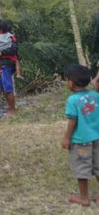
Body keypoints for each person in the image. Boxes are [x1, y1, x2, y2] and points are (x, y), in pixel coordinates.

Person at [61, 64, 99, 207]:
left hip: (81, 141)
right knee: (98, 165)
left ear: (70, 82)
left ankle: (84, 198)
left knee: (82, 168)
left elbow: (73, 120)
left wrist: (66, 138)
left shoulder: (72, 100)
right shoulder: (95, 95)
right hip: (97, 138)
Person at [0, 20, 19, 116]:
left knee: (8, 87)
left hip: (7, 64)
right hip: (2, 63)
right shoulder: (0, 38)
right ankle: (10, 106)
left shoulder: (11, 37)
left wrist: (1, 53)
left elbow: (14, 49)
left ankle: (13, 109)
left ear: (1, 29)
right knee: (2, 85)